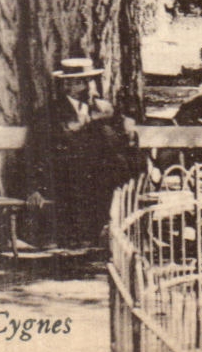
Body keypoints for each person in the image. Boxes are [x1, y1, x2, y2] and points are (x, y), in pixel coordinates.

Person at [41, 57, 139, 247]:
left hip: (98, 174)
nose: (88, 86)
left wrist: (125, 123)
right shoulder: (53, 111)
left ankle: (104, 231)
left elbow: (123, 125)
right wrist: (91, 121)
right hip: (66, 174)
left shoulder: (101, 107)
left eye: (90, 80)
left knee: (116, 168)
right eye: (82, 81)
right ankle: (89, 236)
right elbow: (57, 140)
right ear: (66, 85)